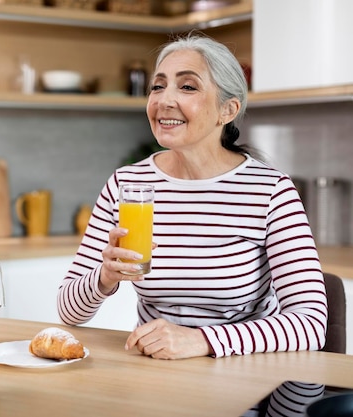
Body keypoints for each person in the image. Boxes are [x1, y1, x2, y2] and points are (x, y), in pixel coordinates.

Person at [57, 34, 327, 360]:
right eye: (158, 86)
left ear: (227, 110)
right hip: (155, 378)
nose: (164, 100)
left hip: (244, 380)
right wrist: (104, 277)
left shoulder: (271, 191)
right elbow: (68, 313)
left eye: (187, 87)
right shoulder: (127, 184)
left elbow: (310, 324)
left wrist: (201, 341)